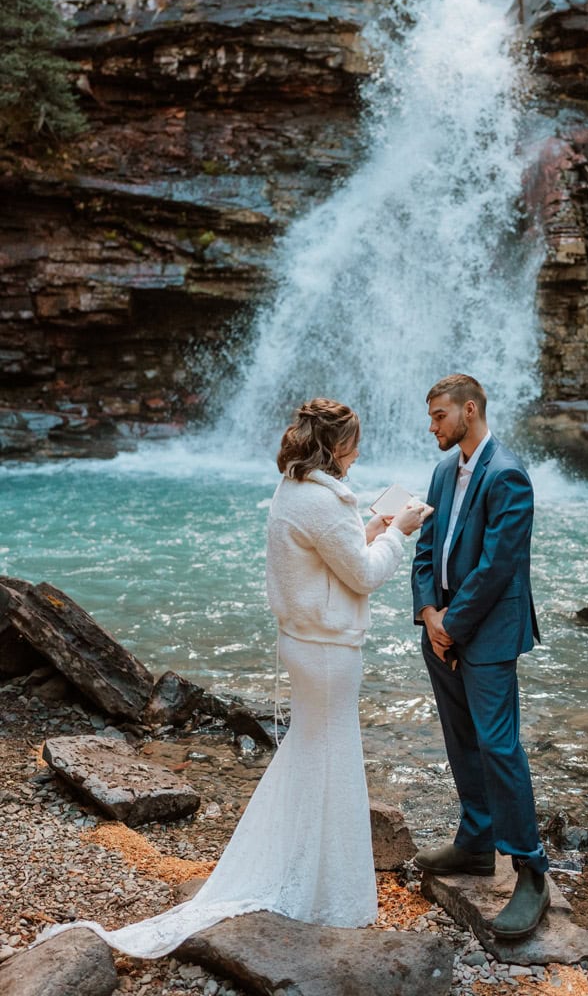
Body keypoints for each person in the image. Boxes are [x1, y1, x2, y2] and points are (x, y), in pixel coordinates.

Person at [37, 397, 426, 957]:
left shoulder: (297, 491)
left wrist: (371, 524)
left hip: (306, 645)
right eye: (354, 442)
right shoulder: (324, 500)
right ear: (336, 447)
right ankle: (325, 892)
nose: (359, 452)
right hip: (327, 648)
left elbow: (333, 556)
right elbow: (362, 576)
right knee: (332, 755)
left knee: (313, 753)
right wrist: (402, 531)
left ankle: (306, 873)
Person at [411, 374, 550, 940]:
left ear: (470, 410)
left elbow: (498, 568)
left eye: (440, 415)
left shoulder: (509, 475)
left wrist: (453, 625)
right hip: (441, 630)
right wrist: (428, 615)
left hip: (486, 635)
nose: (432, 426)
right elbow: (425, 548)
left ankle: (530, 868)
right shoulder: (445, 471)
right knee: (459, 736)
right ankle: (475, 841)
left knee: (498, 745)